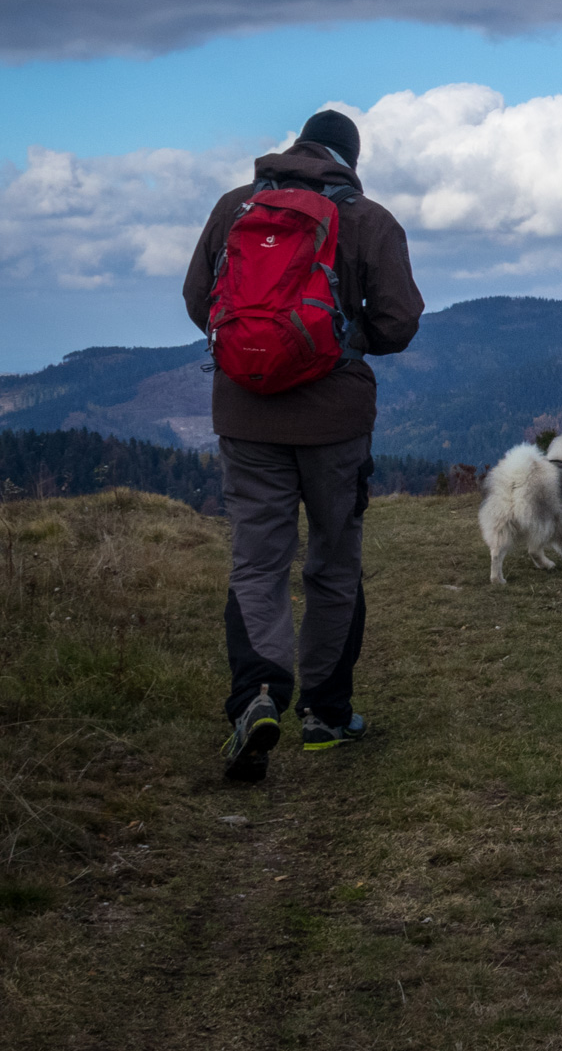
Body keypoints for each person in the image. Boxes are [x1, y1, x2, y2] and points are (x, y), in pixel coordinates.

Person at [183, 109, 424, 781]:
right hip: (334, 423)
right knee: (333, 562)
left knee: (258, 562)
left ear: (296, 147)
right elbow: (401, 321)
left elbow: (197, 297)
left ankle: (257, 697)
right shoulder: (369, 219)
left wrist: (254, 350)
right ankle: (324, 712)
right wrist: (340, 343)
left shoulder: (236, 208)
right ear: (349, 157)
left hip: (246, 416)